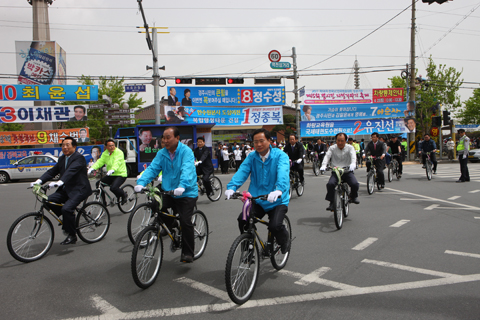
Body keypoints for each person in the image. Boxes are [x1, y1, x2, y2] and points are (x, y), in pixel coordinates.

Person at [135, 127, 198, 263]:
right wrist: (141, 182)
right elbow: (153, 168)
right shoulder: (162, 153)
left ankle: (188, 253)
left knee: (185, 221)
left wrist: (182, 185)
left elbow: (186, 169)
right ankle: (171, 222)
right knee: (154, 204)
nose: (165, 140)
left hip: (186, 192)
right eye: (163, 137)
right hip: (168, 190)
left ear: (177, 138)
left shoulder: (186, 152)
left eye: (168, 137)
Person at [225, 129, 291, 254]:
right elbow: (242, 171)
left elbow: (283, 172)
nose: (258, 144)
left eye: (261, 141)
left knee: (274, 226)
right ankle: (248, 249)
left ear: (269, 141)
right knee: (243, 220)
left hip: (277, 199)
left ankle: (284, 239)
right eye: (255, 142)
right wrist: (231, 187)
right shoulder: (252, 156)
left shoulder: (280, 155)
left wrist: (279, 190)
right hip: (258, 199)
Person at [31, 136, 92, 245]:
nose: (65, 147)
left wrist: (60, 182)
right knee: (48, 201)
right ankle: (67, 220)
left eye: (67, 145)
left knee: (66, 209)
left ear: (74, 146)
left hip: (79, 189)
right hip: (66, 189)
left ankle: (72, 235)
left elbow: (71, 171)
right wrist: (39, 181)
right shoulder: (62, 159)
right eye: (63, 145)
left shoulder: (79, 158)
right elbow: (52, 172)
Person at [320, 132, 360, 211]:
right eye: (338, 140)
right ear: (336, 141)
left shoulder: (350, 148)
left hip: (347, 171)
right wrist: (324, 165)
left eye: (342, 141)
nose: (340, 143)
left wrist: (353, 164)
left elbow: (353, 156)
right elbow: (327, 156)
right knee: (330, 184)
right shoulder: (332, 148)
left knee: (355, 184)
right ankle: (332, 202)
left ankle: (353, 196)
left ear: (346, 141)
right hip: (336, 171)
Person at [88, 139, 128, 204]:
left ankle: (124, 195)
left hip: (120, 174)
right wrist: (92, 168)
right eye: (110, 146)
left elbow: (117, 162)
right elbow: (100, 162)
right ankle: (103, 203)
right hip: (111, 174)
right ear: (106, 147)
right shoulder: (105, 153)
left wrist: (113, 169)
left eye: (113, 145)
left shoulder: (119, 152)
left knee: (113, 188)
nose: (112, 147)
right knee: (98, 184)